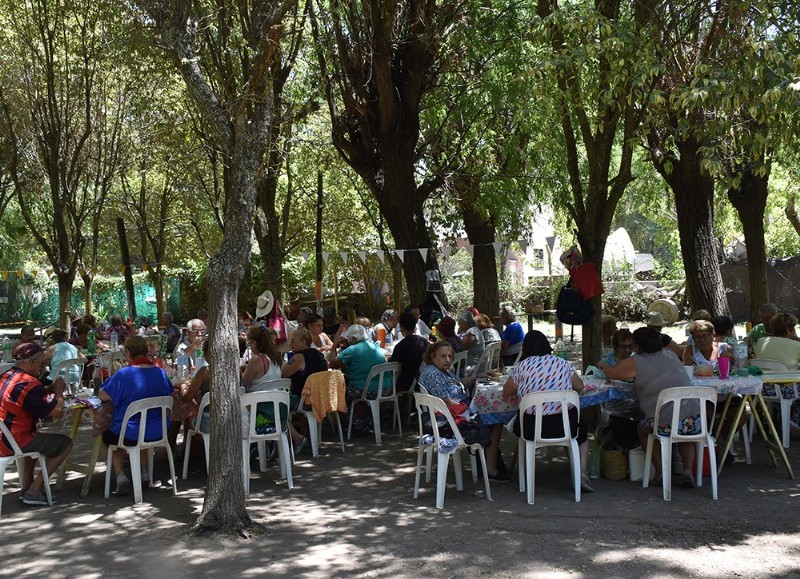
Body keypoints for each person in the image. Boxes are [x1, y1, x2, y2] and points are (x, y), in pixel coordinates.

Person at [598, 327, 699, 487]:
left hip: (663, 422)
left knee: (643, 429)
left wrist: (603, 365)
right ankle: (687, 470)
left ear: (637, 346)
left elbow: (614, 374)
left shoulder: (636, 361)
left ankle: (660, 471)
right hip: (693, 418)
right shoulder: (670, 354)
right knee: (684, 433)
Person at [502, 331, 592, 490]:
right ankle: (582, 475)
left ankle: (525, 477)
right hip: (565, 426)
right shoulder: (562, 363)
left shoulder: (521, 367)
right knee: (582, 431)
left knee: (520, 425)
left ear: (526, 349)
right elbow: (579, 386)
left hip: (530, 429)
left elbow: (506, 392)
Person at [419, 341, 508, 481]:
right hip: (449, 419)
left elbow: (459, 384)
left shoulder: (443, 371)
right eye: (443, 356)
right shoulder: (433, 374)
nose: (447, 359)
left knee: (490, 414)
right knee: (495, 419)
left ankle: (488, 463)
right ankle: (490, 468)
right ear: (432, 356)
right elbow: (447, 403)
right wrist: (471, 410)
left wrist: (479, 376)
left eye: (449, 356)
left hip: (455, 413)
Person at [98, 336, 174, 496]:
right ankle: (144, 472)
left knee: (108, 436)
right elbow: (170, 392)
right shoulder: (160, 373)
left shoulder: (123, 375)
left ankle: (120, 477)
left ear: (127, 353)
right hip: (159, 430)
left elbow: (103, 395)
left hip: (131, 432)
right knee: (140, 430)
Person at [0, 343, 72, 506]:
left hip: (4, 436)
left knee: (34, 436)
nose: (43, 367)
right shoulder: (29, 384)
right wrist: (59, 391)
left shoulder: (6, 376)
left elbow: (31, 399)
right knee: (65, 443)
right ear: (32, 362)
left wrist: (50, 389)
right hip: (11, 442)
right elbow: (57, 411)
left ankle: (27, 487)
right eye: (42, 363)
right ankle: (35, 490)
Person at [329, 324, 390, 435]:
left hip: (367, 391)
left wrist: (334, 346)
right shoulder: (374, 346)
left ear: (353, 339)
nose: (347, 342)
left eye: (348, 340)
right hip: (385, 389)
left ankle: (356, 424)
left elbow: (332, 363)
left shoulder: (352, 349)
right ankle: (364, 421)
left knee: (337, 394)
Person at [281, 327, 328, 406]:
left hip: (303, 400)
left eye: (293, 341)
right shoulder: (319, 354)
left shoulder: (298, 357)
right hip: (321, 398)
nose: (290, 344)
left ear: (304, 342)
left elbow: (282, 374)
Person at [390, 313, 429, 392]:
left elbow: (395, 369)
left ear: (401, 327)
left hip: (406, 382)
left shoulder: (400, 346)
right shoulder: (424, 342)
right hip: (422, 378)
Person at [240, 325, 283, 391]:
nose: (250, 347)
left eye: (249, 344)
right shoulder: (276, 357)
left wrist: (238, 371)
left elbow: (244, 384)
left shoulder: (256, 359)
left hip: (257, 400)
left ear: (254, 343)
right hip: (277, 398)